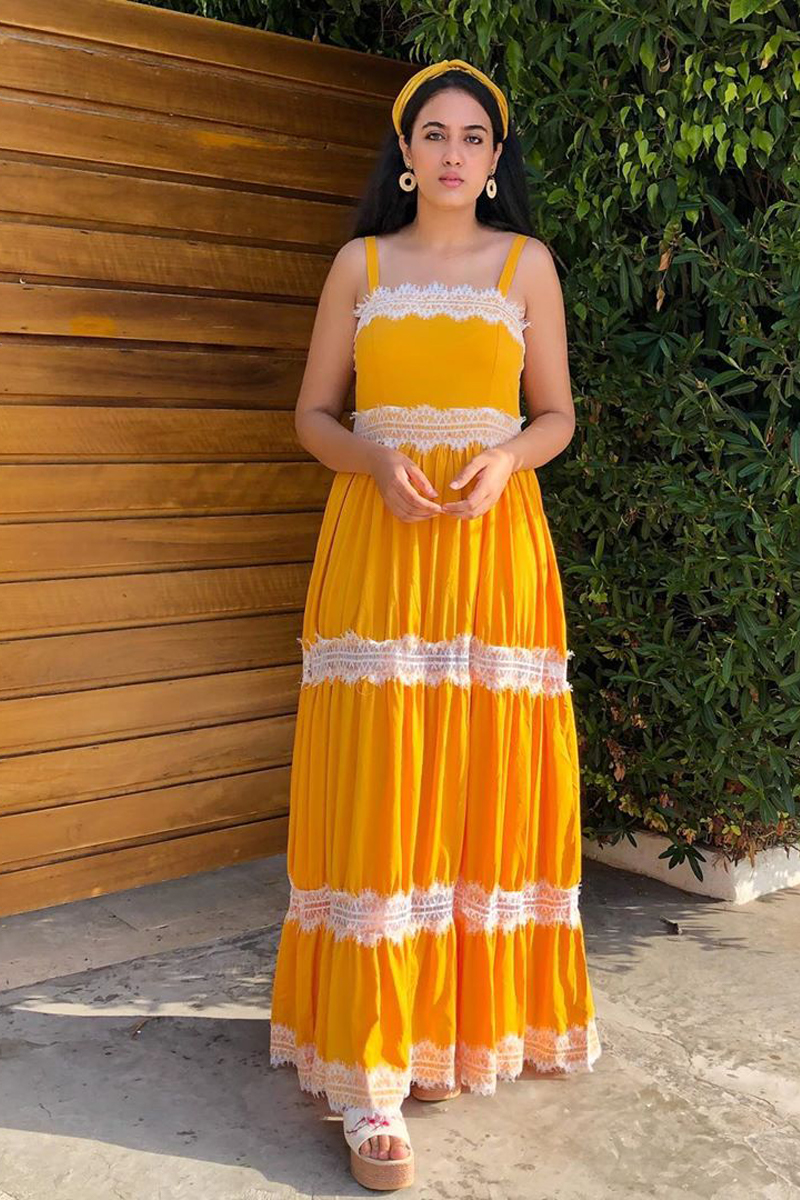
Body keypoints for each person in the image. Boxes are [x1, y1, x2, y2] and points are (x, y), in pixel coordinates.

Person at [269, 57, 602, 1191]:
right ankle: (368, 1082)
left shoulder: (527, 265)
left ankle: (446, 1033)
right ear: (404, 154)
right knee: (384, 785)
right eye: (433, 134)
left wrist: (508, 456)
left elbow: (555, 414)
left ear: (494, 160)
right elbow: (314, 415)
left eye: (472, 137)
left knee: (474, 784)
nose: (453, 153)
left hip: (492, 552)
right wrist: (373, 459)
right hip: (379, 547)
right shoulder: (359, 265)